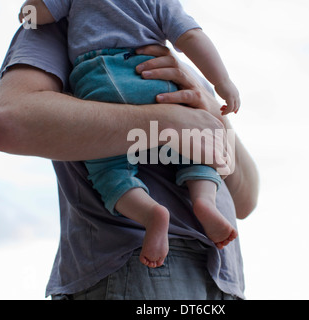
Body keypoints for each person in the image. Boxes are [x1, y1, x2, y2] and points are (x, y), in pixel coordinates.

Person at [0, 21, 259, 300]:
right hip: (139, 262)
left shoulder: (172, 47)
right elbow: (9, 120)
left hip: (224, 276)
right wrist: (167, 123)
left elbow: (246, 199)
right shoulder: (61, 25)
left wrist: (215, 113)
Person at [18, 0, 241, 268]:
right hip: (156, 78)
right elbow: (191, 35)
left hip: (103, 76)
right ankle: (205, 201)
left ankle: (150, 214)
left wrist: (26, 13)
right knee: (195, 151)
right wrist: (223, 83)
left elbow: (33, 14)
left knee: (108, 167)